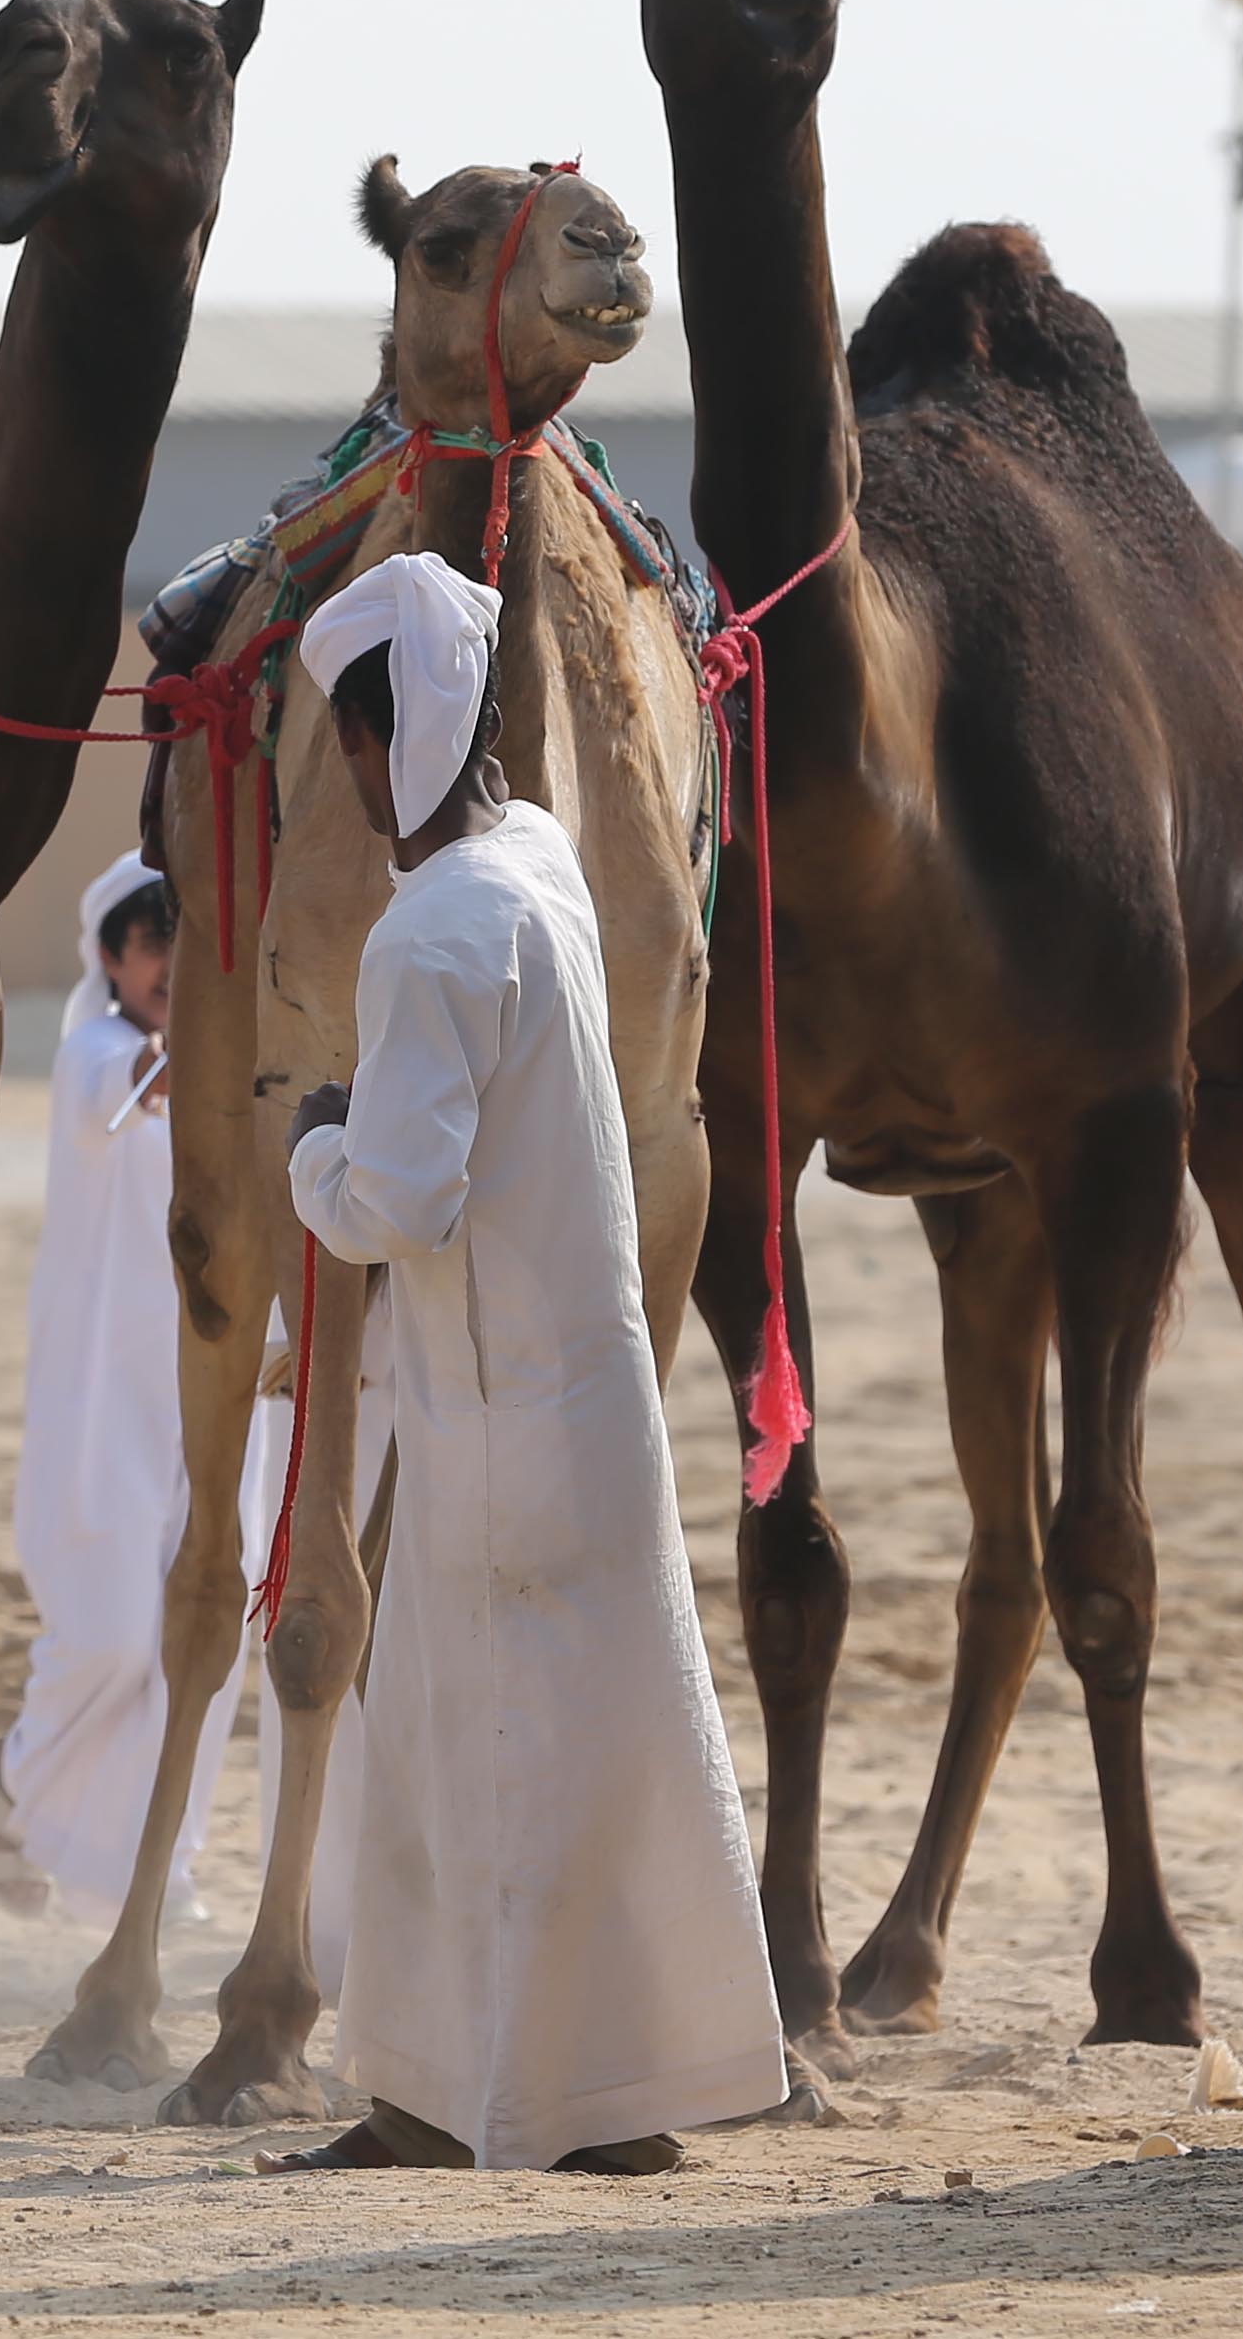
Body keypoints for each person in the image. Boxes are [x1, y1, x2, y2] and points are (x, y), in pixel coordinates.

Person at [265, 550, 787, 2177]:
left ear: (378, 740)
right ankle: (539, 2096)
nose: (345, 776)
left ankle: (510, 2110)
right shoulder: (541, 864)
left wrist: (312, 1151)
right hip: (588, 1405)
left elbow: (394, 1207)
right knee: (566, 1758)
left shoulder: (425, 934)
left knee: (472, 1769)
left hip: (497, 1433)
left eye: (346, 740)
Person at [0, 852, 274, 1924]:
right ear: (112, 957)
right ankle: (13, 1778)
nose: (170, 967)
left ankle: (160, 1870)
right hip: (101, 1412)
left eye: (189, 946)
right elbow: (141, 1094)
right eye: (155, 946)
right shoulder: (93, 1054)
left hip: (207, 1406)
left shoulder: (227, 1083)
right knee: (106, 1642)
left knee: (197, 1654)